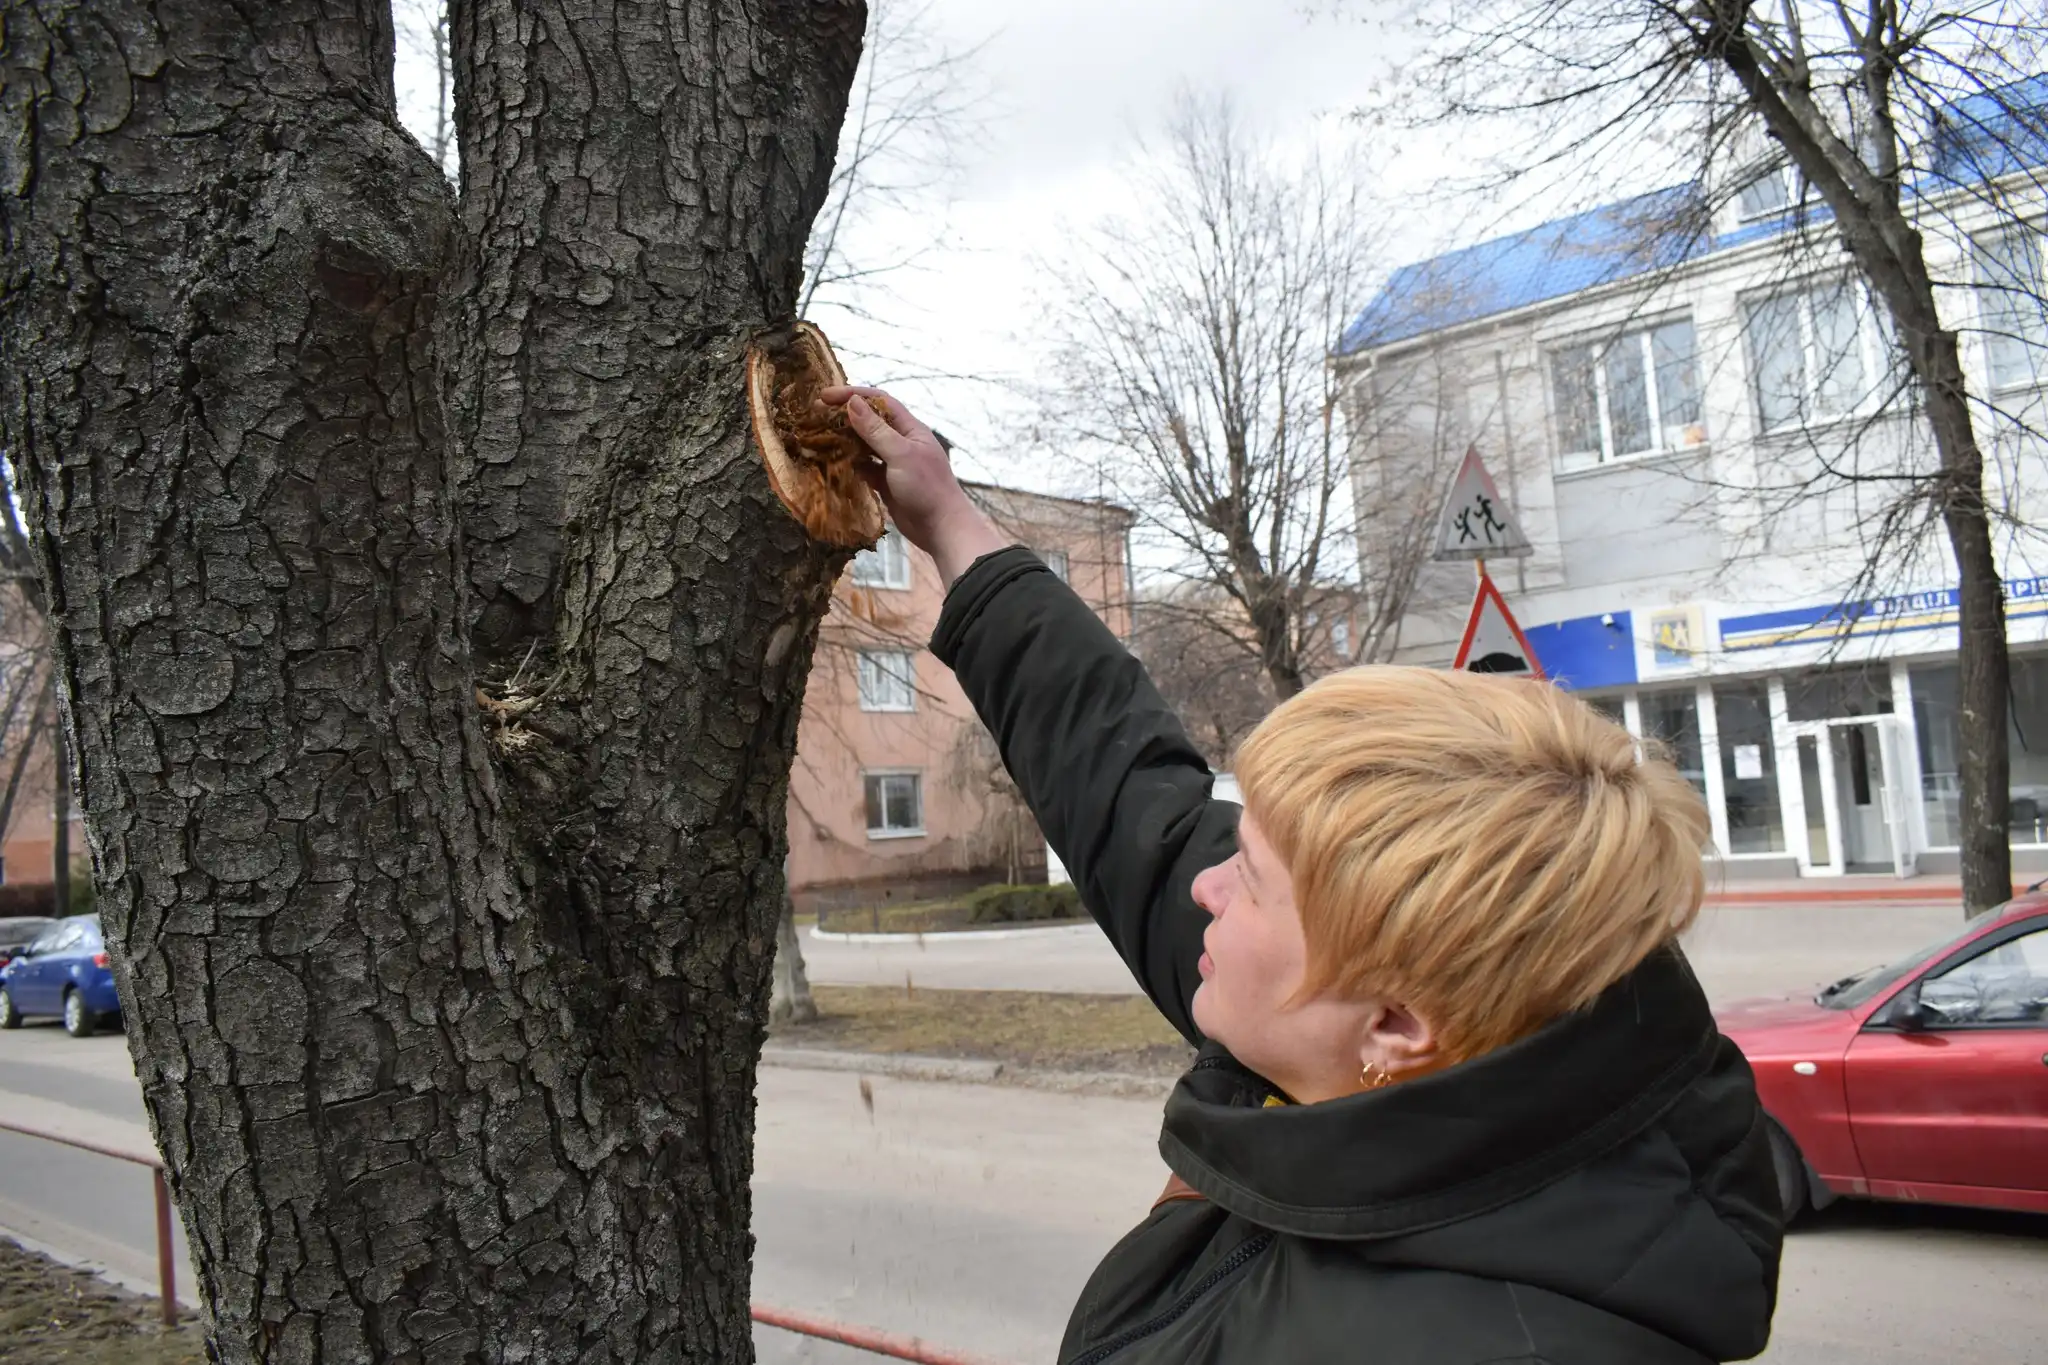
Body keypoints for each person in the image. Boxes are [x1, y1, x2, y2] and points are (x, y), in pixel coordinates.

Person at [820, 384, 1784, 1364]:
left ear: (1396, 1023)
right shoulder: (1464, 999)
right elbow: (1128, 796)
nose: (1205, 886)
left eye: (1247, 879)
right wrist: (949, 523)